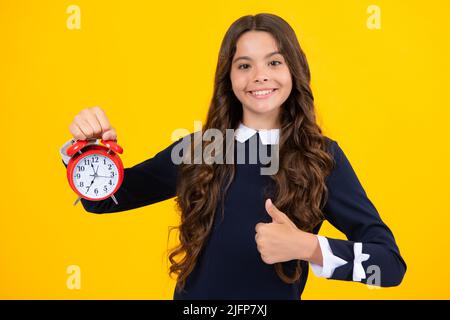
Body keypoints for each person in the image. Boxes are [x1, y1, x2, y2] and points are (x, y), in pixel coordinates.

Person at [60, 13, 406, 300]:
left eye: (274, 61)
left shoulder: (321, 158)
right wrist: (90, 152)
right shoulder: (198, 148)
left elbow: (389, 266)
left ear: (293, 70)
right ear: (228, 76)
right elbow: (104, 201)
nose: (260, 76)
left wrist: (308, 246)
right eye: (244, 65)